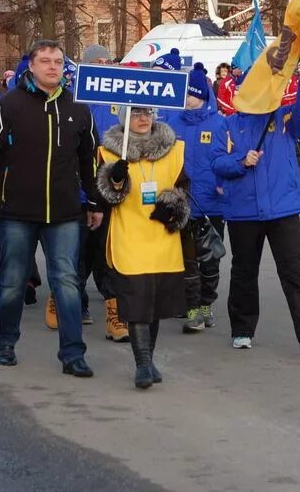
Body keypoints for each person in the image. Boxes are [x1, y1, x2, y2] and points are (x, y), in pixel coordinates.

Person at [0, 40, 102, 377]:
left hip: (64, 212)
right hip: (17, 210)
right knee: (13, 280)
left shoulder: (78, 109)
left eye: (58, 61)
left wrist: (95, 200)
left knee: (67, 282)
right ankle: (6, 342)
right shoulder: (10, 106)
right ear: (31, 66)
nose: (52, 67)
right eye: (44, 61)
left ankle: (73, 354)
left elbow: (90, 160)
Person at [211, 57, 300, 355]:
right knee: (244, 270)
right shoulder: (227, 125)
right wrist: (240, 161)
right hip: (243, 211)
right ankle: (242, 329)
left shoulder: (283, 119)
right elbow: (216, 162)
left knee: (293, 269)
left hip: (282, 209)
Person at [96, 105, 190, 388]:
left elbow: (185, 187)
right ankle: (142, 364)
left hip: (163, 237)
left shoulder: (174, 150)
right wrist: (115, 180)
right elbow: (103, 195)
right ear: (125, 119)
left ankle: (149, 360)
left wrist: (174, 205)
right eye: (136, 114)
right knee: (137, 301)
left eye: (147, 113)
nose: (143, 118)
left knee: (155, 303)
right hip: (130, 236)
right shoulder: (109, 152)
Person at [163, 64, 227, 333]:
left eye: (194, 95)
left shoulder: (220, 123)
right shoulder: (170, 122)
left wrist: (223, 185)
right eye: (185, 94)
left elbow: (229, 159)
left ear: (204, 95)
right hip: (181, 204)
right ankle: (192, 309)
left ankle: (205, 304)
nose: (188, 99)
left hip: (211, 204)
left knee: (210, 259)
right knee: (186, 261)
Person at [76, 43, 129, 343]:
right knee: (82, 248)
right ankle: (73, 299)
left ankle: (114, 312)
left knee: (108, 249)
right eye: (98, 61)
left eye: (107, 60)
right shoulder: (76, 99)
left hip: (110, 186)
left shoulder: (119, 97)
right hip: (82, 186)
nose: (104, 65)